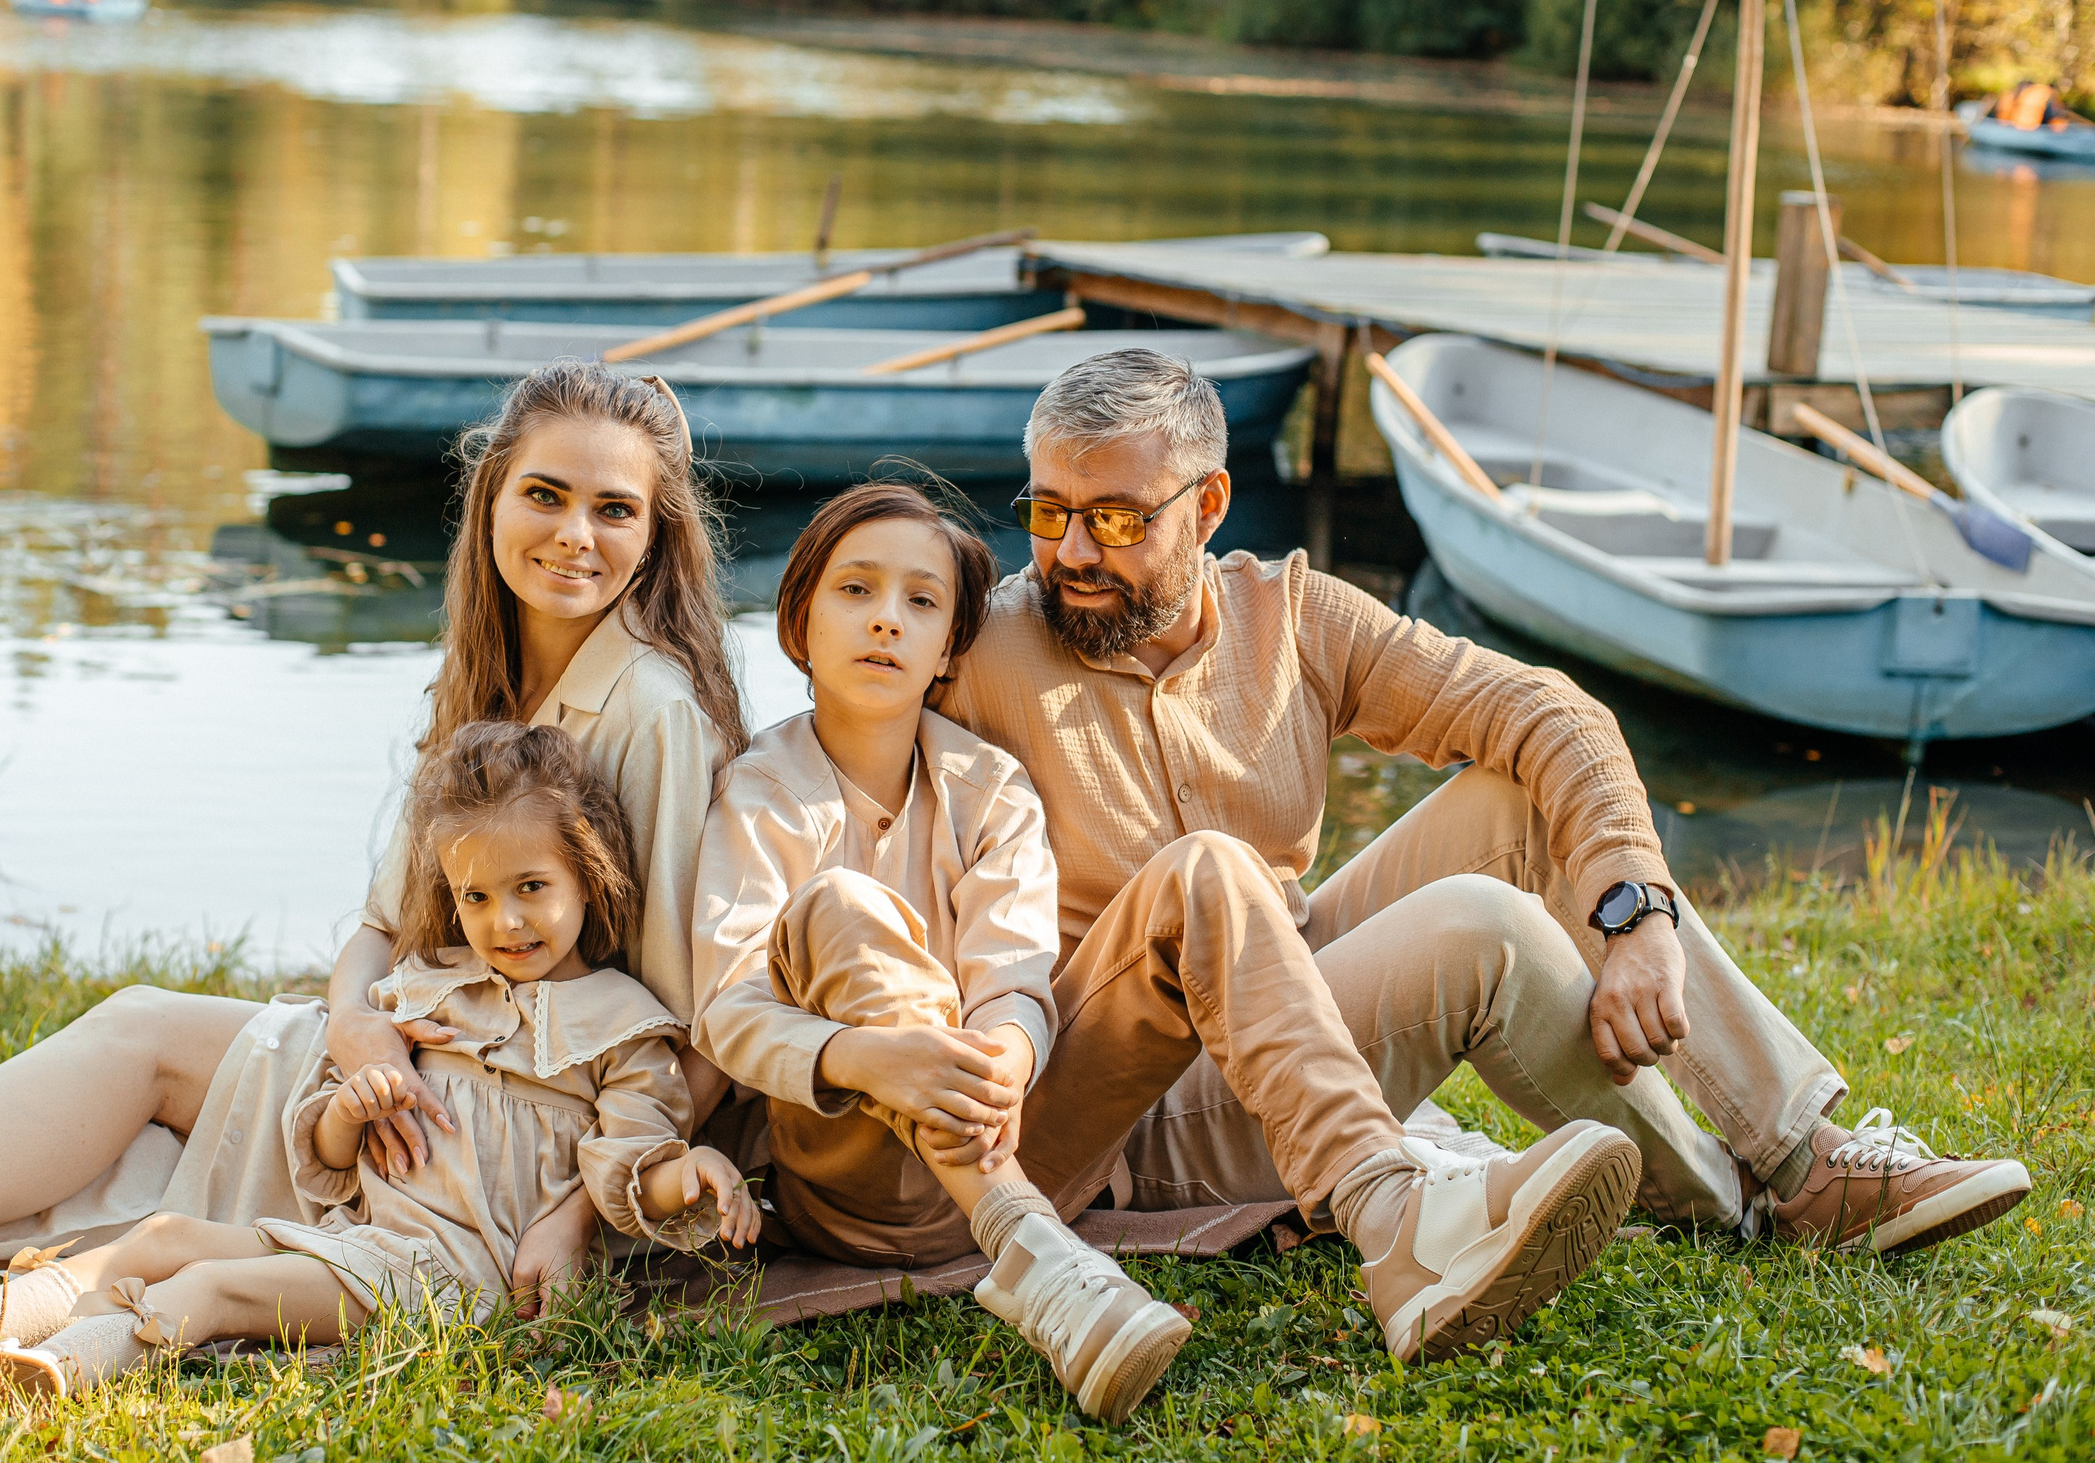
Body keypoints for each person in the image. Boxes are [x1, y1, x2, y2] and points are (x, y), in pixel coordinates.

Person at [0, 362, 750, 1343]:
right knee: (138, 1116)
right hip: (413, 1069)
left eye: (613, 508)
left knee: (145, 1044)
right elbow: (382, 928)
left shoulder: (648, 709)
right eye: (545, 494)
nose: (573, 534)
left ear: (658, 534)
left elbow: (692, 1029)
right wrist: (356, 1028)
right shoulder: (487, 678)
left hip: (507, 1138)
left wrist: (576, 1225)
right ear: (491, 497)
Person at [937, 347, 2030, 1256]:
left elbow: (1547, 711)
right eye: (1047, 510)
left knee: (1519, 802)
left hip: (1301, 975)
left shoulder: (1292, 616)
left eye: (1117, 520)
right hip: (1146, 1092)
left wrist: (1634, 913)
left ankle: (1803, 1152)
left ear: (1209, 503)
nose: (1072, 552)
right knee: (1484, 926)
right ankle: (1723, 1196)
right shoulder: (978, 645)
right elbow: (819, 783)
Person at [693, 481, 1640, 1411]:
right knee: (839, 907)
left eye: (922, 600)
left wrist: (1006, 1055)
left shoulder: (990, 785)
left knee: (1209, 866)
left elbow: (1015, 975)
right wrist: (868, 1055)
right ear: (796, 621)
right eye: (855, 590)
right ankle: (1033, 1257)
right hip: (859, 1187)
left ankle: (1389, 1214)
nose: (887, 620)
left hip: (1018, 1136)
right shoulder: (760, 792)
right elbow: (727, 1005)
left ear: (950, 649)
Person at [0, 723, 756, 1398]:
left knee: (211, 1286)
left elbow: (631, 1167)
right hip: (365, 1246)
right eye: (476, 896)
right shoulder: (432, 993)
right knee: (162, 1241)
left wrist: (694, 1171)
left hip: (448, 1284)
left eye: (532, 890)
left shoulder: (625, 1029)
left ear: (589, 873)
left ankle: (52, 1376)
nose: (505, 921)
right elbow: (331, 1154)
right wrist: (358, 1103)